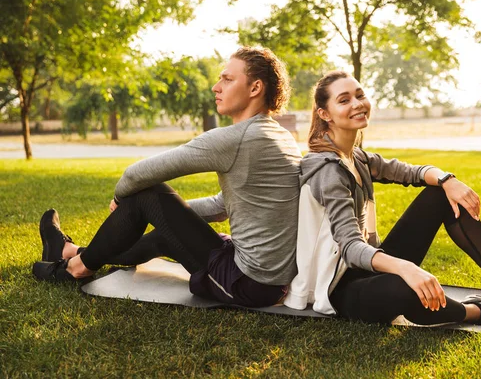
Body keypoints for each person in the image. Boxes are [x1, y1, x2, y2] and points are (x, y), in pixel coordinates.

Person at [283, 71, 481, 326]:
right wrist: (406, 268)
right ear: (325, 114)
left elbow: (411, 172)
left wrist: (448, 180)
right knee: (406, 289)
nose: (358, 104)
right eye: (344, 100)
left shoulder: (356, 157)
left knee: (440, 195)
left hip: (366, 268)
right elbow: (350, 247)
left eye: (360, 95)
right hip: (339, 289)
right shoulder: (327, 170)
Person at [33, 46, 302, 308]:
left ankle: (75, 269)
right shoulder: (278, 135)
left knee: (146, 193)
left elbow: (136, 174)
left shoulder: (239, 138)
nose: (216, 86)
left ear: (255, 88)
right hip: (267, 280)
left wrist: (124, 200)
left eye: (227, 79)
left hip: (246, 282)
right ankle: (71, 251)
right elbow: (222, 207)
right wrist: (167, 217)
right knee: (162, 233)